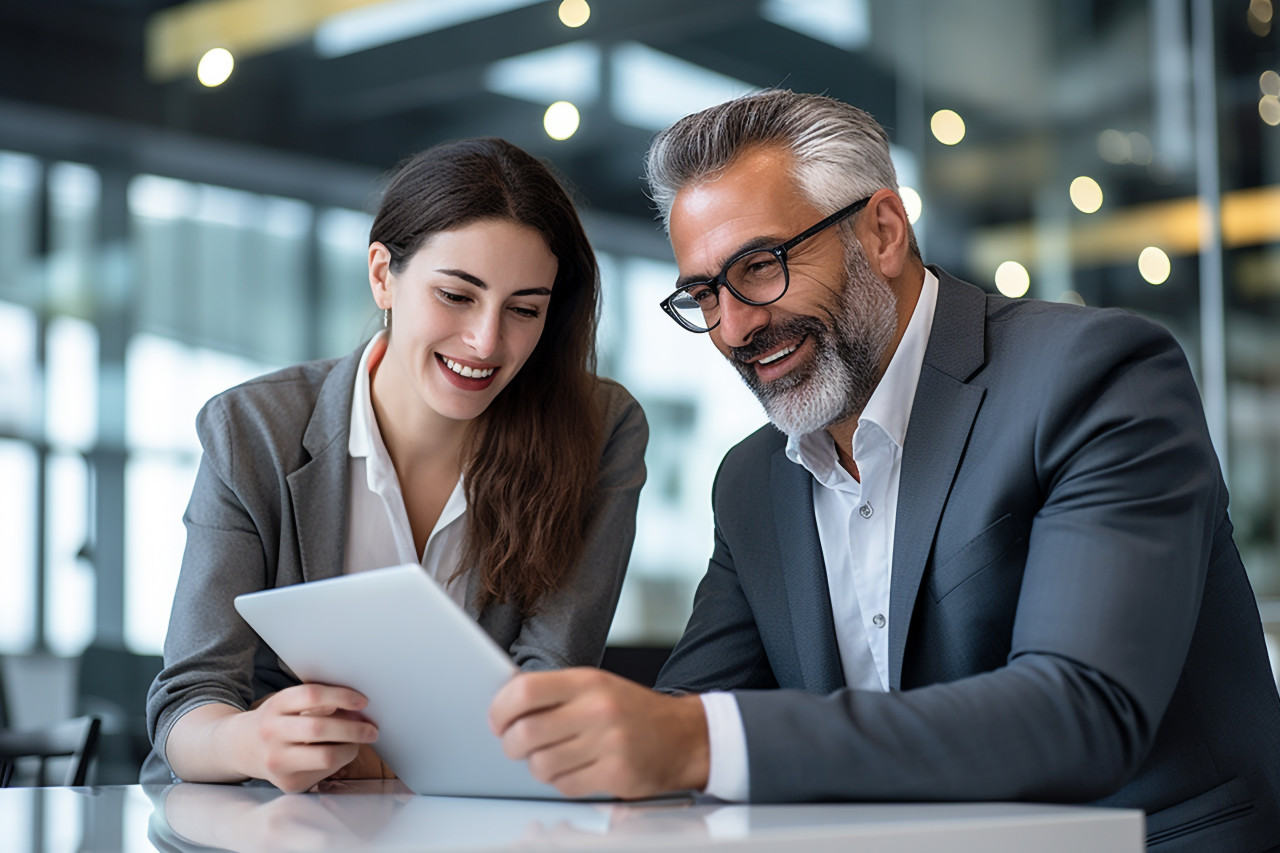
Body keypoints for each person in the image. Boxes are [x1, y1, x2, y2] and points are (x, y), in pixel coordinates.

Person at [488, 91, 1280, 850]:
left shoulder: (1093, 374)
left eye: (760, 266)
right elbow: (687, 710)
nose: (733, 327)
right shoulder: (753, 480)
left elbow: (1082, 709)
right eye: (703, 293)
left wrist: (695, 739)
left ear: (883, 231)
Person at [144, 137, 648, 793]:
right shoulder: (253, 429)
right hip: (263, 815)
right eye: (457, 295)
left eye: (524, 309)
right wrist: (250, 738)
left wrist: (382, 764)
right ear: (383, 274)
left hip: (475, 819)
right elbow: (190, 700)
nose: (487, 341)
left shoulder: (600, 429)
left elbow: (544, 691)